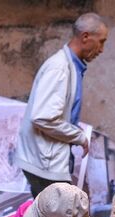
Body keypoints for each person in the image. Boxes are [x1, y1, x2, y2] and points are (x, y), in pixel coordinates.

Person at [17, 13, 108, 198]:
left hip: (45, 161)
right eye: (101, 41)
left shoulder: (70, 65)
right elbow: (43, 117)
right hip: (44, 164)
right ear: (85, 37)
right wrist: (79, 137)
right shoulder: (59, 68)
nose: (102, 49)